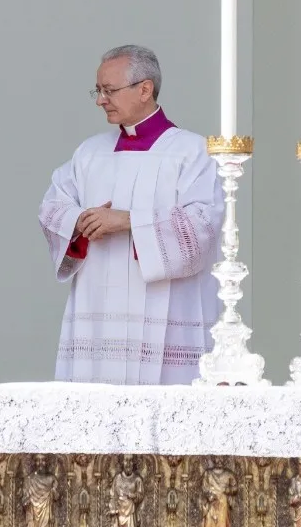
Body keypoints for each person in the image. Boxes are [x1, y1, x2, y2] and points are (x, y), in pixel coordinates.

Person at [38, 45, 220, 384]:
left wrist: (129, 221)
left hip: (165, 310)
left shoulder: (192, 152)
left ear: (145, 89)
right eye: (98, 90)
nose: (100, 100)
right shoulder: (90, 153)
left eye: (109, 90)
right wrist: (78, 221)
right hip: (98, 314)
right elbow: (52, 207)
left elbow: (203, 226)